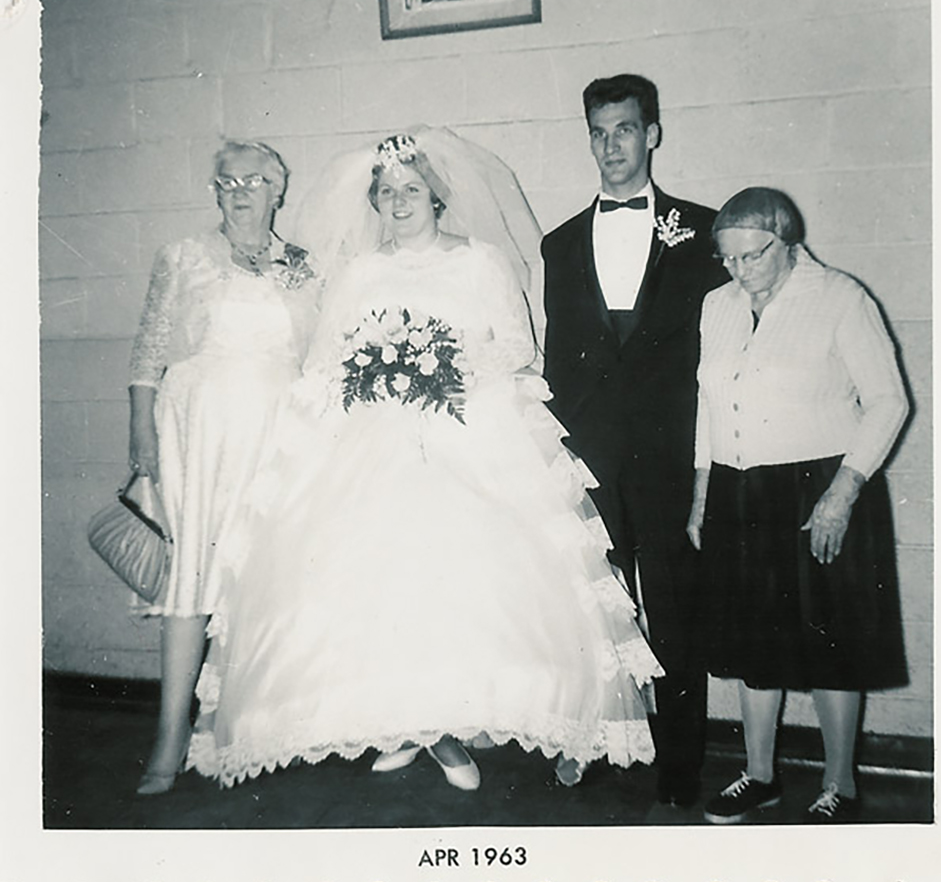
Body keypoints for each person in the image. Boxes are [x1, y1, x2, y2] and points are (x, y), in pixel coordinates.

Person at [187, 129, 663, 791]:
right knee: (381, 572)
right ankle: (408, 722)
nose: (398, 201)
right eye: (386, 193)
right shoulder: (360, 271)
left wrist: (446, 365)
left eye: (411, 189)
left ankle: (448, 728)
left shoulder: (481, 262)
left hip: (469, 427)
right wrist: (377, 370)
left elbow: (518, 347)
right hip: (374, 433)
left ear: (438, 196)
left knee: (460, 571)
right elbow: (328, 356)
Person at [688, 187, 909, 824]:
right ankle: (759, 776)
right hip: (737, 486)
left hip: (820, 489)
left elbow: (889, 402)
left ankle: (839, 785)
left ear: (787, 242)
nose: (738, 273)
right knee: (752, 641)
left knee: (832, 645)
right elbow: (708, 402)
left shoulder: (841, 297)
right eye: (726, 260)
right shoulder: (717, 305)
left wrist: (843, 493)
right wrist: (704, 493)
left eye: (751, 258)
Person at [541, 73, 726, 808]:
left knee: (674, 603)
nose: (610, 145)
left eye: (624, 128)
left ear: (652, 132)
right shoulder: (559, 244)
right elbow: (558, 360)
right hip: (589, 451)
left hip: (669, 451)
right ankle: (599, 741)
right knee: (592, 603)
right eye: (598, 130)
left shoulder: (704, 229)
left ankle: (680, 762)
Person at [127, 140, 321, 795]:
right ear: (215, 191)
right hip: (198, 435)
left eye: (255, 181)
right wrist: (141, 439)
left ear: (278, 191)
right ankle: (169, 731)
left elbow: (318, 355)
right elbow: (148, 351)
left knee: (262, 582)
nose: (240, 191)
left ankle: (245, 725)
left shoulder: (302, 266)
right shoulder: (183, 257)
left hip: (277, 433)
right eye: (227, 181)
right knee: (190, 580)